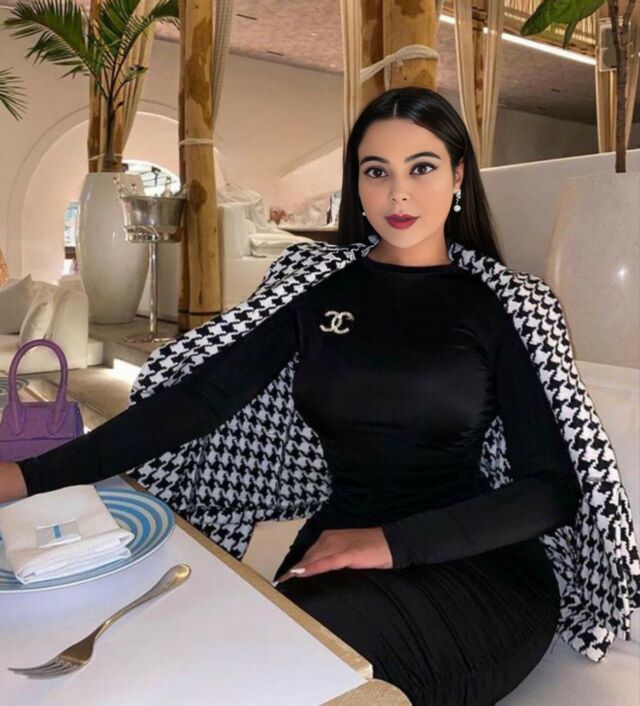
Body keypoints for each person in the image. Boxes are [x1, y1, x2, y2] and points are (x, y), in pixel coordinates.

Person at [0, 87, 583, 706]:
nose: (398, 194)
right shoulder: (315, 288)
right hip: (342, 549)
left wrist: (392, 544)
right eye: (376, 172)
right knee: (230, 661)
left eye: (422, 168)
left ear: (459, 174)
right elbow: (197, 402)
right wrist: (29, 477)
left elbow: (551, 489)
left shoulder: (505, 303)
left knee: (289, 672)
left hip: (479, 571)